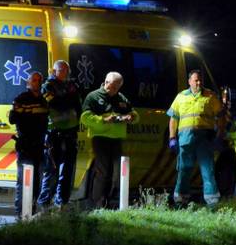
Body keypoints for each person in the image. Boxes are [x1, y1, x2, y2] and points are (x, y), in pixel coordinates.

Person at [81, 72, 139, 209]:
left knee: (115, 173)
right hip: (100, 138)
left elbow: (135, 114)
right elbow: (85, 117)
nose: (109, 88)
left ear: (119, 87)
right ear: (105, 81)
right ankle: (98, 204)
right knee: (103, 172)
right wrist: (103, 120)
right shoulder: (93, 96)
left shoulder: (121, 98)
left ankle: (108, 201)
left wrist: (131, 117)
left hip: (116, 139)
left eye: (113, 87)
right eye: (107, 84)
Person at [167, 70, 223, 208]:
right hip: (186, 139)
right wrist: (172, 137)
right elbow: (173, 119)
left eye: (200, 80)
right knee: (184, 169)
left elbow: (221, 116)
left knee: (207, 170)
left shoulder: (210, 96)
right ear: (189, 81)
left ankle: (213, 203)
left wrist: (219, 135)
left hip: (204, 139)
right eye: (196, 80)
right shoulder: (181, 97)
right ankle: (180, 201)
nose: (199, 83)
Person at [39, 60, 81, 211]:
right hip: (53, 135)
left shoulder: (71, 86)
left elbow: (78, 105)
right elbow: (55, 104)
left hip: (69, 134)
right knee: (51, 170)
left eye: (66, 70)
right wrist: (67, 100)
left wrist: (67, 100)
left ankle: (61, 202)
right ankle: (44, 203)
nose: (64, 73)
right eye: (61, 70)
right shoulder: (47, 86)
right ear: (54, 71)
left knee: (67, 171)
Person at [8, 71, 48, 217]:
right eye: (34, 80)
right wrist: (21, 111)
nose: (37, 82)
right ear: (28, 82)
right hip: (25, 146)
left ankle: (31, 211)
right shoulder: (21, 98)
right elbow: (12, 118)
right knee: (24, 180)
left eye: (39, 80)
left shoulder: (44, 100)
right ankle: (21, 213)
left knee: (37, 181)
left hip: (39, 146)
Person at [214, 86, 236, 198]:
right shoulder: (223, 113)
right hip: (223, 146)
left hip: (225, 145)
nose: (227, 101)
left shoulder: (226, 114)